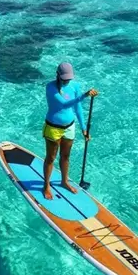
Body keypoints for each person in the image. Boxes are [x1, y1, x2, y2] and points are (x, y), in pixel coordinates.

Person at [42, 62, 98, 200]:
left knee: (66, 156)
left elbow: (77, 107)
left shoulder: (75, 86)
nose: (67, 81)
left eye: (69, 78)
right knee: (51, 158)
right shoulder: (50, 88)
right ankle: (46, 185)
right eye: (64, 78)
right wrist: (84, 96)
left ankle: (64, 181)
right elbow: (63, 104)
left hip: (69, 127)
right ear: (58, 75)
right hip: (53, 128)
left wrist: (83, 128)